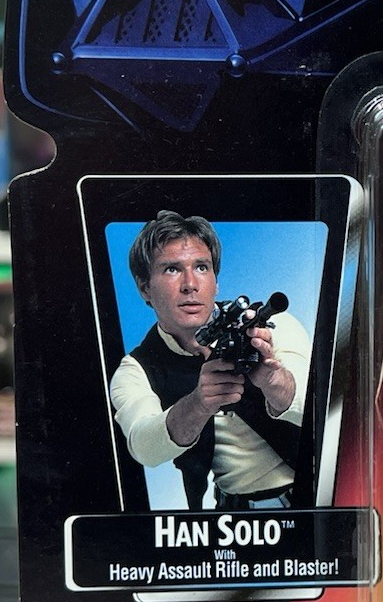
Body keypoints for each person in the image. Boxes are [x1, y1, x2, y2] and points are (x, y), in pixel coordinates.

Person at [109, 210, 310, 511]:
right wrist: (199, 403)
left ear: (216, 281)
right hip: (232, 516)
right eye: (172, 269)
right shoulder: (135, 370)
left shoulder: (271, 326)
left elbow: (324, 410)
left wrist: (273, 381)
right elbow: (144, 447)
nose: (190, 284)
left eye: (201, 267)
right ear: (144, 288)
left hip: (313, 502)